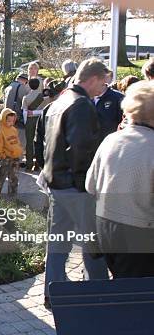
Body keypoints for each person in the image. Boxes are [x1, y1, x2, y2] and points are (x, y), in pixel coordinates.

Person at [41, 58, 111, 309]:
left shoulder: (60, 101)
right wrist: (88, 184)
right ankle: (99, 292)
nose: (104, 87)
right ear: (92, 79)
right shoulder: (81, 105)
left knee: (58, 241)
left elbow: (48, 143)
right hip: (75, 185)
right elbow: (82, 148)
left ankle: (52, 291)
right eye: (103, 82)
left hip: (57, 183)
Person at [85, 80, 154, 279]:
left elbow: (91, 185)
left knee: (122, 285)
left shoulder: (111, 140)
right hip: (140, 236)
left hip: (106, 229)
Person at [34, 80, 66, 169]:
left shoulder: (47, 110)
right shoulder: (69, 110)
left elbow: (38, 140)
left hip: (49, 161)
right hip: (62, 164)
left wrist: (41, 164)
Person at [0, 108, 23, 197]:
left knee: (14, 179)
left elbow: (17, 141)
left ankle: (13, 197)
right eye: (8, 121)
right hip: (5, 159)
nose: (10, 123)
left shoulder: (13, 129)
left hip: (15, 158)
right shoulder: (0, 131)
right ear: (3, 119)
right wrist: (2, 156)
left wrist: (19, 150)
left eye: (12, 121)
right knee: (1, 178)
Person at [21, 78, 45, 172]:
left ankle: (29, 165)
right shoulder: (43, 97)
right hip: (40, 120)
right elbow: (44, 110)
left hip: (30, 121)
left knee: (29, 143)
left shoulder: (26, 98)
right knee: (39, 142)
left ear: (29, 85)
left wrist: (26, 122)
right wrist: (36, 112)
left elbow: (25, 112)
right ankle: (38, 164)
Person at [93, 75, 124, 141]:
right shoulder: (87, 98)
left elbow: (123, 124)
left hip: (111, 144)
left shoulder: (118, 98)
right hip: (92, 146)